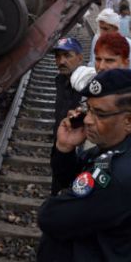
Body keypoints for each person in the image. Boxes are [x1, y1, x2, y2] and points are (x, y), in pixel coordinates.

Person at [37, 69, 131, 262]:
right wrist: (65, 148)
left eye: (100, 114)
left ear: (130, 120)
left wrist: (55, 203)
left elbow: (49, 217)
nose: (88, 121)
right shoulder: (119, 147)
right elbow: (70, 179)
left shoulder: (121, 173)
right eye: (89, 110)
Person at [51, 36, 96, 193]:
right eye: (58, 56)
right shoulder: (61, 80)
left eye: (67, 55)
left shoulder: (87, 83)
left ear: (80, 57)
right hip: (62, 143)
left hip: (78, 149)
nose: (61, 61)